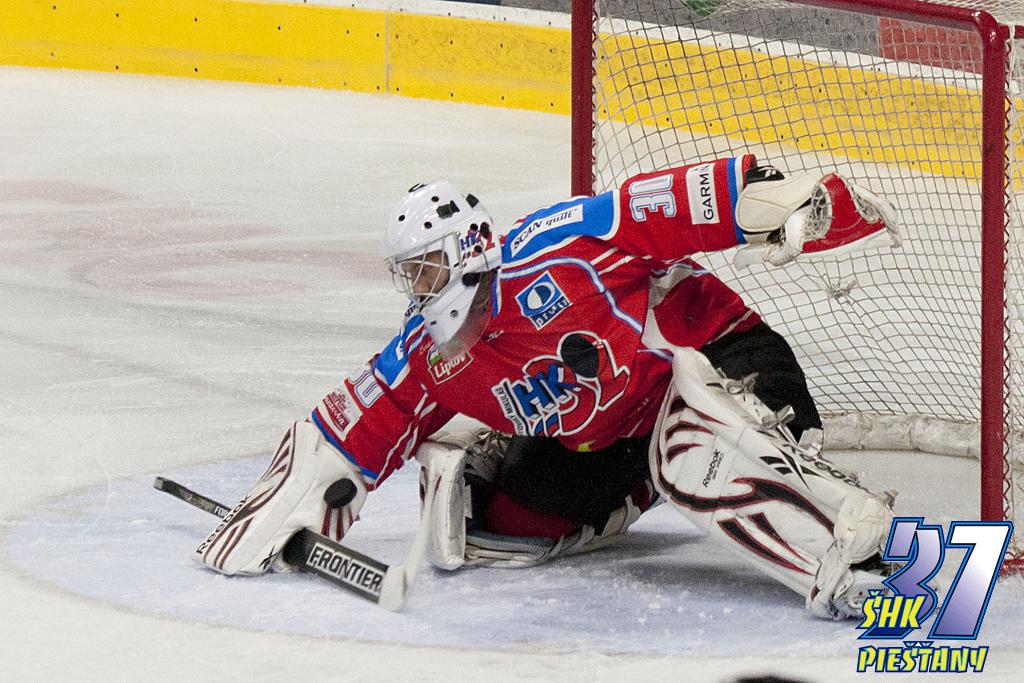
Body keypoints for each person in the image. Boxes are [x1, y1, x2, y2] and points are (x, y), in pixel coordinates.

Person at [194, 155, 899, 619]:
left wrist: (777, 201)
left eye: (429, 268)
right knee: (492, 525)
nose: (421, 290)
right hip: (618, 433)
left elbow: (661, 205)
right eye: (410, 276)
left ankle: (848, 548)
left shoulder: (557, 251)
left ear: (470, 250)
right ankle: (646, 483)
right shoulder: (431, 356)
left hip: (724, 359)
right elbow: (354, 426)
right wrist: (287, 504)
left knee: (694, 446)